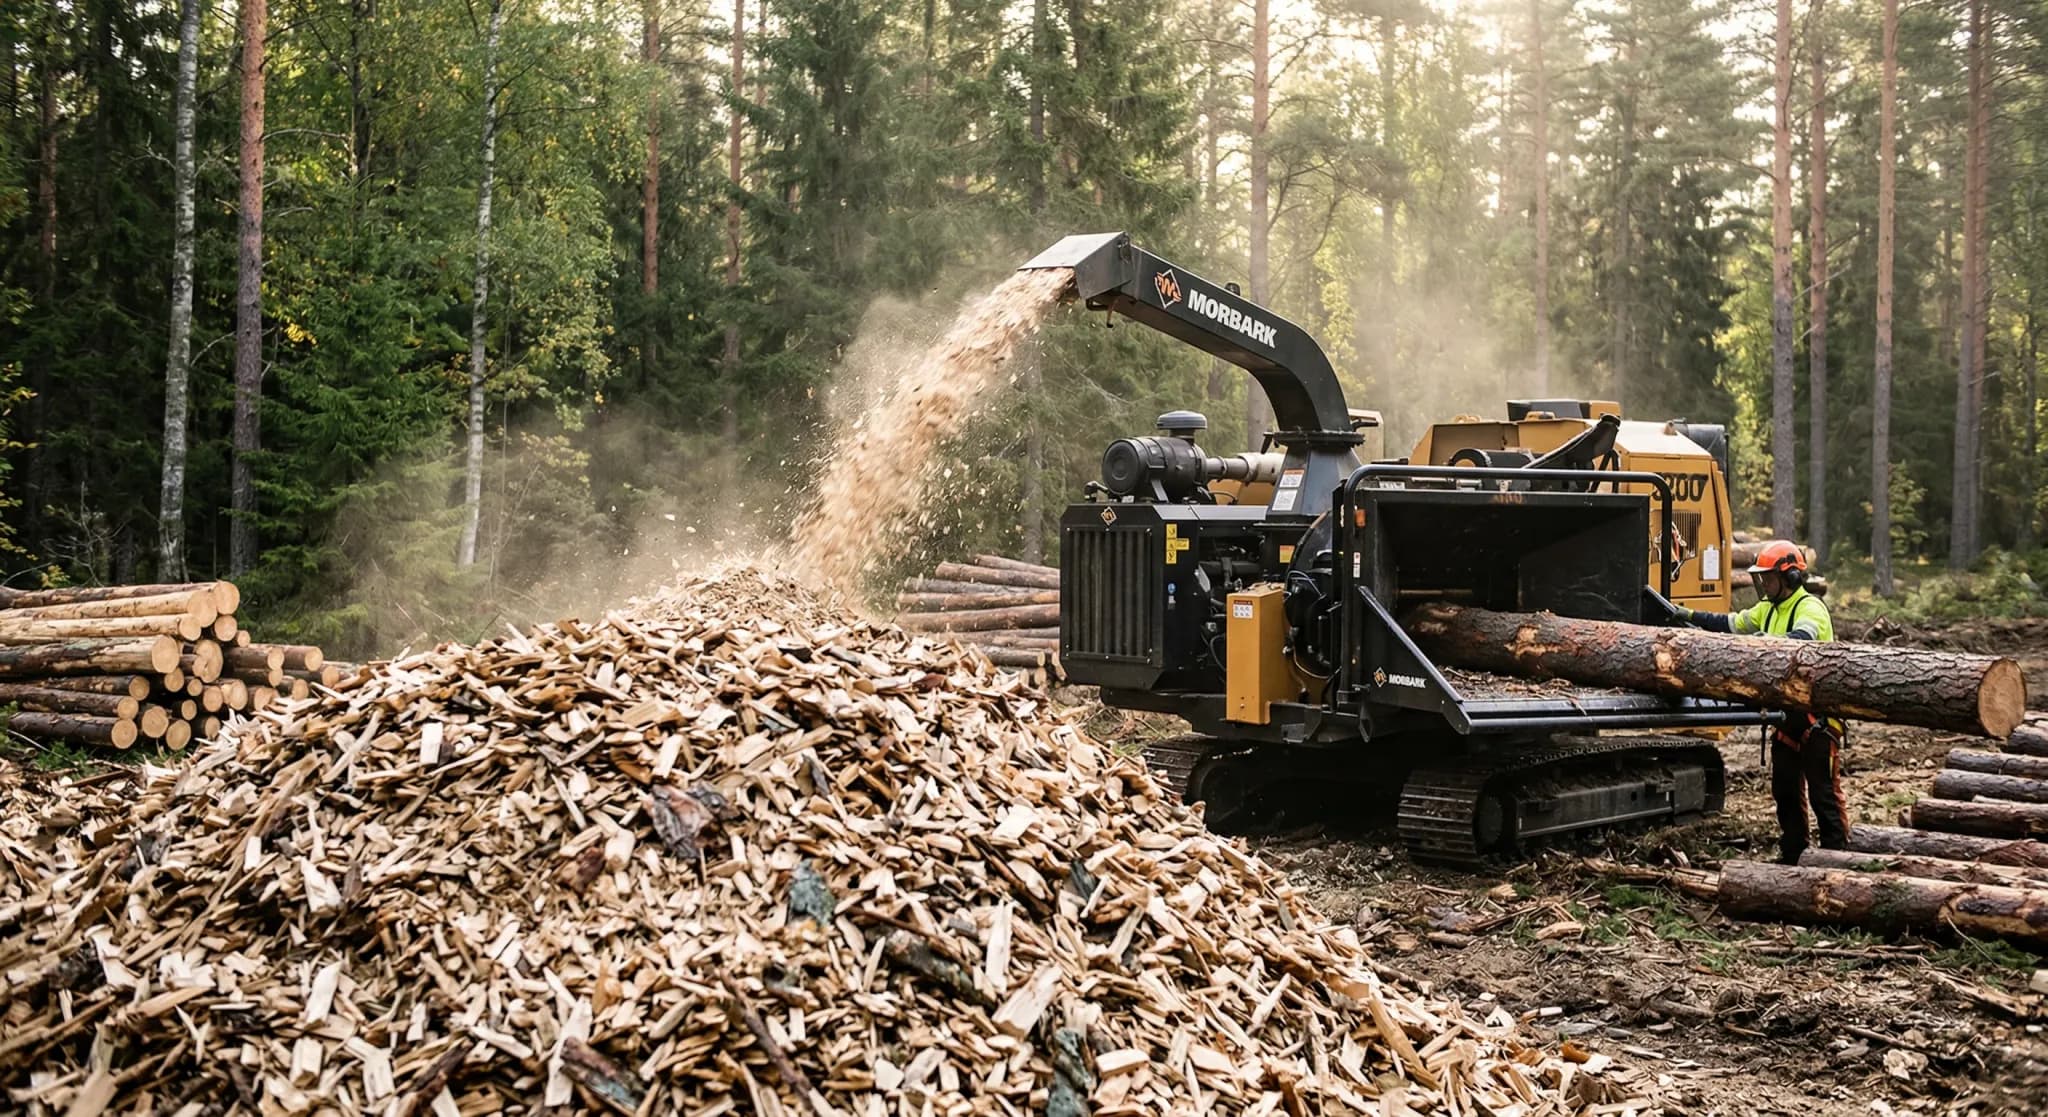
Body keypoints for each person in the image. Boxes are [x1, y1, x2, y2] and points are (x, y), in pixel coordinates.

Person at [1650, 540, 1844, 863]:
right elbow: (1730, 624)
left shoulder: (1810, 608)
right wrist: (1687, 615)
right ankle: (1795, 855)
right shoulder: (1767, 609)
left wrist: (1764, 643)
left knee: (1823, 794)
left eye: (1768, 578)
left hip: (1816, 720)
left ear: (1790, 578)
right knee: (1784, 791)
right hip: (1786, 719)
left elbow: (1802, 641)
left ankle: (1838, 858)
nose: (1763, 584)